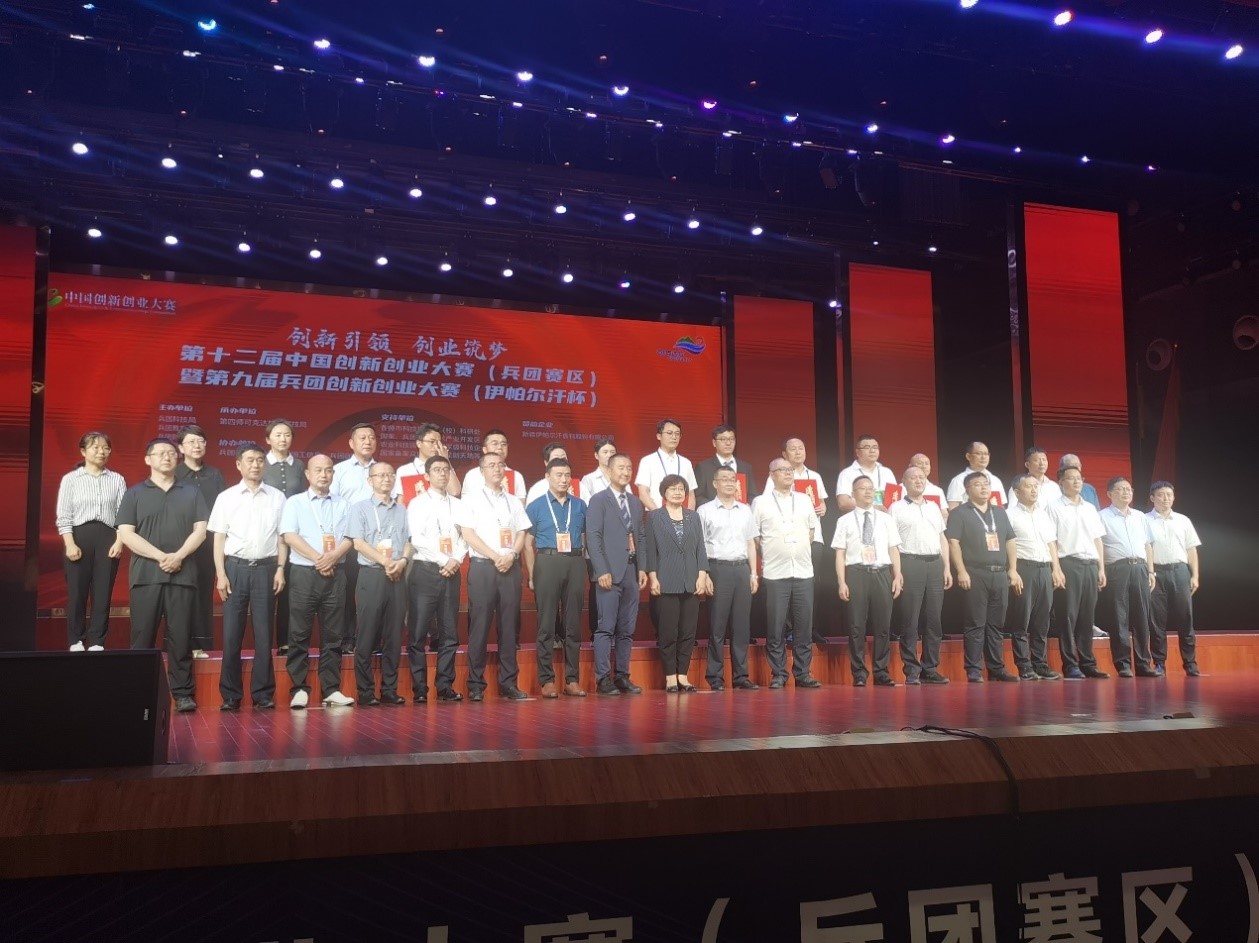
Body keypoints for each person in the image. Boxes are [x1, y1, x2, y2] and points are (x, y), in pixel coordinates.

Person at [116, 438, 209, 714]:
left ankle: (183, 694)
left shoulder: (191, 492)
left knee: (181, 637)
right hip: (146, 576)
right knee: (142, 637)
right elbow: (126, 534)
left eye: (170, 453)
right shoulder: (134, 493)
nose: (167, 457)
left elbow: (201, 531)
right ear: (148, 459)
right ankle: (138, 692)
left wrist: (179, 556)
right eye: (160, 453)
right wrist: (161, 557)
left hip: (183, 575)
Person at [208, 445, 287, 711]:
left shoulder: (277, 497)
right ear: (238, 464)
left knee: (264, 636)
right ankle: (231, 695)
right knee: (232, 635)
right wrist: (221, 574)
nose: (255, 464)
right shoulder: (226, 497)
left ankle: (263, 693)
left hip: (266, 569)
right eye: (250, 460)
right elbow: (219, 539)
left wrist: (280, 568)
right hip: (235, 569)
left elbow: (282, 538)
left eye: (260, 460)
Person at [280, 453, 355, 708]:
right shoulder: (295, 502)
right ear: (308, 474)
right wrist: (318, 558)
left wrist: (332, 558)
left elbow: (350, 537)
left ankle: (331, 689)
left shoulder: (343, 504)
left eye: (328, 470)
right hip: (304, 574)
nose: (324, 475)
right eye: (318, 470)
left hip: (336, 574)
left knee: (333, 635)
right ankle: (299, 688)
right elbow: (289, 535)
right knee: (299, 633)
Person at [455, 452, 531, 701]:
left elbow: (521, 532)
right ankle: (476, 684)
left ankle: (509, 683)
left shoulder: (513, 501)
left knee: (509, 627)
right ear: (482, 471)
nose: (497, 469)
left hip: (510, 566)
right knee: (479, 626)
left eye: (500, 465)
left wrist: (511, 555)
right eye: (491, 465)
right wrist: (495, 556)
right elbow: (468, 534)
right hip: (483, 567)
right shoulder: (471, 500)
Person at [946, 471, 1022, 683]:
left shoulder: (999, 512)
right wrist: (961, 571)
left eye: (986, 484)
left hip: (999, 573)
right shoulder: (960, 513)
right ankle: (973, 669)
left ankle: (997, 668)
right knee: (975, 623)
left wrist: (1013, 569)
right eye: (978, 484)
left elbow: (1010, 541)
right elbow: (953, 543)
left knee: (996, 625)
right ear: (967, 490)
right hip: (975, 572)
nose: (983, 488)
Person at [346, 462, 411, 706]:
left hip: (397, 575)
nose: (386, 479)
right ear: (370, 480)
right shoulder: (360, 508)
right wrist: (385, 561)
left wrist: (402, 561)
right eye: (380, 475)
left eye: (390, 474)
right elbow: (358, 543)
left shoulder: (402, 510)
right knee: (367, 634)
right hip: (372, 574)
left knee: (394, 635)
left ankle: (389, 689)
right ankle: (365, 691)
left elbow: (409, 541)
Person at [754, 458, 822, 689]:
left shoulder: (804, 500)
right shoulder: (760, 502)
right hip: (775, 573)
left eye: (790, 470)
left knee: (804, 626)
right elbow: (755, 537)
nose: (788, 473)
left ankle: (803, 673)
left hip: (803, 571)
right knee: (776, 627)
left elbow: (811, 531)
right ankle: (778, 674)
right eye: (782, 470)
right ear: (771, 474)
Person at [405, 454, 468, 703]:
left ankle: (445, 686)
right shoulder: (417, 503)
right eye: (437, 470)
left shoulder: (459, 505)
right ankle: (420, 688)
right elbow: (416, 538)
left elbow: (465, 537)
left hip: (452, 571)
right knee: (418, 633)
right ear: (427, 476)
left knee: (449, 633)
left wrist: (456, 559)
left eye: (446, 470)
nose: (442, 474)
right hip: (425, 570)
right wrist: (444, 560)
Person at [56, 431, 126, 651]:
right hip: (79, 537)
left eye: (106, 448)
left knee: (103, 593)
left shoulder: (117, 479)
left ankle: (97, 641)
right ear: (83, 451)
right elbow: (64, 515)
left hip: (108, 538)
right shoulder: (71, 479)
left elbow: (123, 515)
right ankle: (76, 639)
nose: (101, 452)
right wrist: (69, 544)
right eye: (95, 447)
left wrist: (119, 541)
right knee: (77, 593)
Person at [585, 453, 648, 695]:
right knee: (605, 628)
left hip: (631, 570)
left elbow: (640, 536)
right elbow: (593, 537)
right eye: (621, 467)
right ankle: (603, 678)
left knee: (627, 629)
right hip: (608, 573)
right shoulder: (598, 500)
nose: (625, 472)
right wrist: (601, 570)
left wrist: (642, 567)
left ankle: (622, 676)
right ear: (609, 471)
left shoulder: (635, 502)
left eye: (629, 467)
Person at [524, 458, 588, 697]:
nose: (563, 479)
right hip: (547, 561)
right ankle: (547, 680)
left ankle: (572, 679)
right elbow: (527, 543)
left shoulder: (580, 505)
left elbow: (586, 536)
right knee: (546, 624)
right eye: (558, 475)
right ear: (547, 477)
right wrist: (532, 573)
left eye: (567, 475)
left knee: (573, 624)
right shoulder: (536, 505)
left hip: (575, 561)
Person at [833, 476, 904, 686]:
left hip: (882, 573)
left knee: (883, 626)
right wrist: (842, 581)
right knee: (856, 626)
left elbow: (894, 549)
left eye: (870, 489)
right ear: (853, 494)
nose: (867, 492)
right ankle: (859, 674)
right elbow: (840, 553)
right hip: (857, 573)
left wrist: (897, 575)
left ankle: (881, 672)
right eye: (862, 488)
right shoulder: (844, 520)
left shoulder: (885, 519)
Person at [644, 474, 711, 692]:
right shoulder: (655, 517)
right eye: (673, 489)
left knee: (688, 632)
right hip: (666, 580)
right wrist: (653, 576)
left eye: (681, 489)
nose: (677, 492)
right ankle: (670, 677)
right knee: (668, 632)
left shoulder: (693, 517)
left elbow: (700, 548)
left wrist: (702, 574)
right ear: (664, 493)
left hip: (691, 580)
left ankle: (683, 675)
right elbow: (650, 550)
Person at [698, 466, 759, 691]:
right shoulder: (705, 510)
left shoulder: (745, 510)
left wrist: (753, 573)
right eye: (724, 479)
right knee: (717, 625)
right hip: (717, 569)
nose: (729, 483)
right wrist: (704, 574)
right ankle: (715, 676)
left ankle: (741, 676)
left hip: (741, 569)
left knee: (742, 626)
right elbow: (699, 546)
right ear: (715, 483)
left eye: (732, 479)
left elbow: (751, 543)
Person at [889, 465, 952, 684]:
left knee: (934, 619)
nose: (918, 481)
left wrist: (946, 567)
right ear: (904, 482)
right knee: (911, 619)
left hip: (934, 564)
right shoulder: (896, 508)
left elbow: (942, 539)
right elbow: (892, 543)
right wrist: (897, 572)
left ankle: (930, 668)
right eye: (913, 477)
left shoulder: (934, 507)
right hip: (910, 562)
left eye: (922, 477)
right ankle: (911, 670)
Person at [1047, 465, 1109, 680]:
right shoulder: (1053, 507)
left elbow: (1097, 539)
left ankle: (1088, 663)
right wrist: (1056, 568)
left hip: (1090, 564)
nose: (1076, 482)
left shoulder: (1089, 508)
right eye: (1071, 478)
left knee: (1087, 616)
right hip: (1068, 564)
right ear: (1061, 482)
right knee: (1067, 616)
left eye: (1079, 478)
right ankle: (1070, 665)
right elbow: (1051, 541)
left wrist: (1101, 567)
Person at [1006, 473, 1065, 681]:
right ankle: (1024, 666)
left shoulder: (1042, 514)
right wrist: (1013, 570)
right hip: (1024, 568)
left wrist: (1056, 569)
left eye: (1035, 486)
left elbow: (1051, 543)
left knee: (1042, 620)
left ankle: (1041, 665)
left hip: (1044, 568)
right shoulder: (1009, 515)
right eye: (1028, 486)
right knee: (1022, 620)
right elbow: (1008, 545)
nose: (1033, 490)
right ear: (1016, 492)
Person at [1099, 477, 1159, 678]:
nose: (1126, 492)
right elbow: (1098, 546)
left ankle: (1143, 664)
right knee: (1119, 617)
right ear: (1109, 494)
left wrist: (1151, 571)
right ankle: (1123, 664)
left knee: (1142, 617)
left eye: (1128, 489)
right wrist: (1101, 570)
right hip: (1117, 569)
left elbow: (1148, 545)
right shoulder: (1102, 516)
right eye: (1120, 489)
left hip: (1140, 568)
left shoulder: (1140, 516)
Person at [174, 424, 225, 659]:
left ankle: (201, 645)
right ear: (180, 447)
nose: (197, 445)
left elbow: (223, 510)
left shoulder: (214, 474)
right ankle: (178, 645)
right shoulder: (174, 473)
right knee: (180, 595)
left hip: (208, 544)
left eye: (201, 441)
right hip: (180, 544)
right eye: (191, 441)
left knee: (203, 593)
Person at [1147, 481, 1202, 677]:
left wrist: (1195, 575)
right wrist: (1150, 572)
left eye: (1169, 495)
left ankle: (1190, 663)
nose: (1165, 498)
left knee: (1185, 618)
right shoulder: (1144, 520)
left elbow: (1191, 549)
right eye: (1161, 495)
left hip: (1180, 571)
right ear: (1152, 498)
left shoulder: (1183, 520)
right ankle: (1159, 663)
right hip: (1156, 573)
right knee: (1156, 621)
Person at [332, 422, 378, 655]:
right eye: (362, 437)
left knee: (374, 593)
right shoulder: (339, 471)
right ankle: (348, 638)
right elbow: (332, 505)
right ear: (351, 443)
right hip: (349, 542)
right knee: (348, 592)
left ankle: (372, 640)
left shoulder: (382, 471)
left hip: (376, 544)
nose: (368, 441)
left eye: (372, 437)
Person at [262, 419, 305, 657]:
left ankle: (286, 641)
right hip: (268, 534)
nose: (283, 439)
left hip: (294, 536)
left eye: (287, 434)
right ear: (268, 439)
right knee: (267, 589)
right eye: (277, 434)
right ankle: (263, 642)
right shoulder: (261, 463)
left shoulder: (299, 466)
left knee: (290, 589)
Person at [636, 418, 698, 511]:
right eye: (669, 433)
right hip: (655, 515)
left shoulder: (686, 463)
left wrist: (689, 516)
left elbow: (691, 494)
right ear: (659, 436)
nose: (674, 437)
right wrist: (658, 515)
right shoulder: (647, 461)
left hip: (683, 516)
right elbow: (643, 493)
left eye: (677, 434)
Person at [394, 422, 462, 503]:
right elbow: (401, 501)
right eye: (432, 442)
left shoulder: (444, 469)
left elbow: (455, 492)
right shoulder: (405, 470)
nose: (436, 446)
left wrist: (445, 459)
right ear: (419, 443)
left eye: (438, 443)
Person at [763, 437, 828, 518]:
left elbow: (821, 501)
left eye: (801, 448)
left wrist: (822, 508)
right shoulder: (778, 475)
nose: (798, 452)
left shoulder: (815, 476)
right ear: (784, 454)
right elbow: (766, 500)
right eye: (793, 449)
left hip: (812, 522)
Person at [835, 435, 899, 513]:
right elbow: (843, 503)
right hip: (859, 518)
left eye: (875, 447)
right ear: (857, 452)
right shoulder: (847, 473)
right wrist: (873, 506)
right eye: (867, 447)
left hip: (886, 518)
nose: (872, 451)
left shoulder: (887, 472)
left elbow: (895, 498)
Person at [694, 424, 755, 505]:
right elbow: (698, 496)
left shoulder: (745, 467)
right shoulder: (703, 467)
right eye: (723, 439)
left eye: (731, 439)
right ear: (714, 443)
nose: (728, 443)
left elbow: (752, 495)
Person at [461, 429, 526, 497]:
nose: (500, 447)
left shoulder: (516, 476)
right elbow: (466, 501)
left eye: (503, 444)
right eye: (495, 443)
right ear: (485, 449)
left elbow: (520, 503)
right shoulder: (472, 475)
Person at [946, 441, 1005, 510]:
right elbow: (953, 509)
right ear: (968, 456)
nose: (983, 457)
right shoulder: (958, 480)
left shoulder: (996, 480)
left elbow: (1001, 507)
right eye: (979, 453)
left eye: (986, 454)